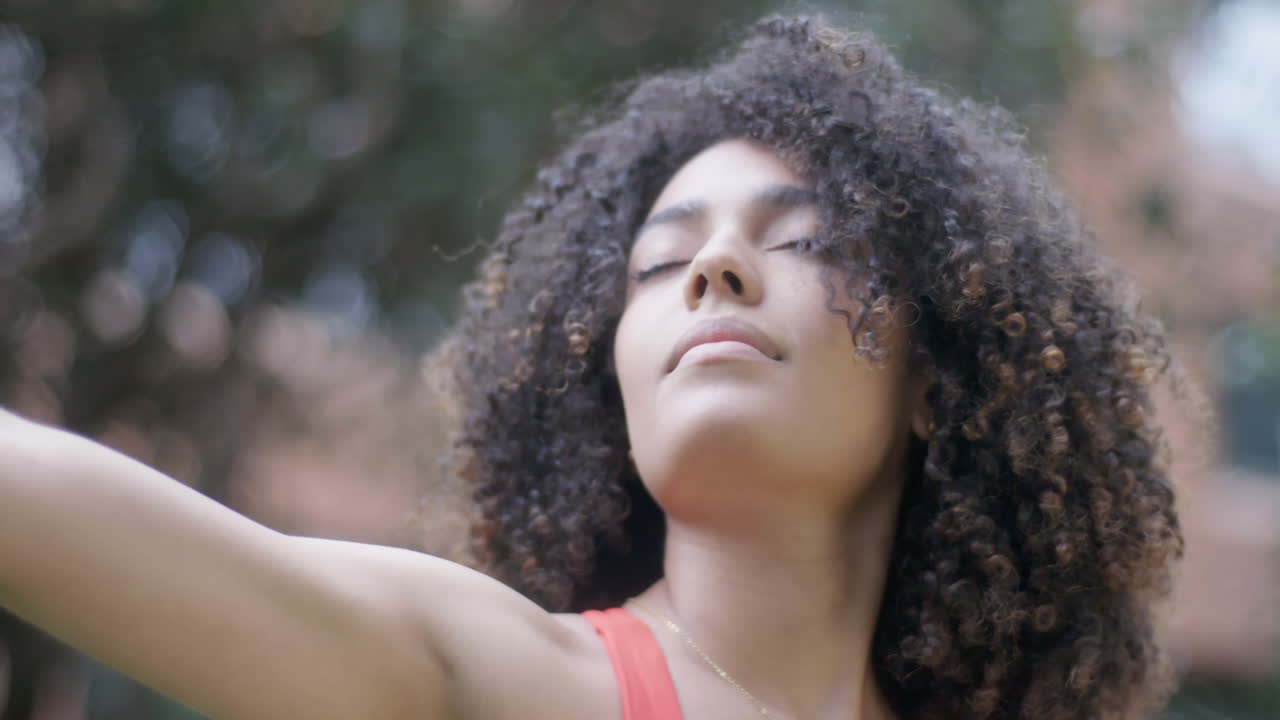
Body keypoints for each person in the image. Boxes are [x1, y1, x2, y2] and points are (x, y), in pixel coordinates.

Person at [0, 14, 1186, 720]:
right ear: (611, 393)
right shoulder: (505, 679)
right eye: (658, 263)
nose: (711, 268)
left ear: (938, 381)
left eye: (801, 239)